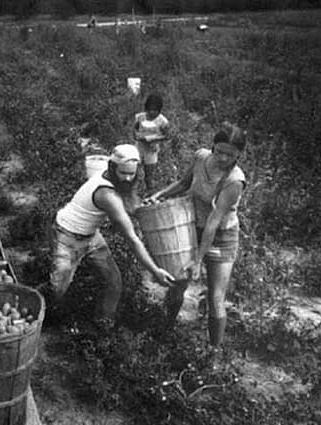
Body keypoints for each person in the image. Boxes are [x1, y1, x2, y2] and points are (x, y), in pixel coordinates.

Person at [42, 144, 175, 328]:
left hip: (91, 236)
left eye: (132, 173)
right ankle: (49, 321)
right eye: (123, 173)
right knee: (59, 288)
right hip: (67, 236)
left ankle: (103, 325)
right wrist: (155, 271)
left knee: (113, 281)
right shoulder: (107, 195)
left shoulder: (111, 176)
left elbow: (129, 202)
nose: (128, 178)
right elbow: (132, 239)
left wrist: (147, 206)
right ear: (112, 168)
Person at [146, 123, 246, 346]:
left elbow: (214, 221)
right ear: (213, 146)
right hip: (191, 228)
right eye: (219, 151)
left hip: (222, 237)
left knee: (216, 297)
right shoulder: (201, 157)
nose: (222, 158)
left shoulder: (234, 181)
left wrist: (198, 261)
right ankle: (165, 333)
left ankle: (212, 354)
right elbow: (184, 183)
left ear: (239, 154)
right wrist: (159, 195)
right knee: (177, 283)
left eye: (229, 154)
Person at [133, 93, 170, 192]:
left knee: (149, 175)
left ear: (159, 110)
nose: (152, 112)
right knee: (135, 172)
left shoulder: (162, 121)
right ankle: (134, 192)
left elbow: (167, 136)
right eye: (150, 110)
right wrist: (137, 136)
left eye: (155, 110)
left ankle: (150, 193)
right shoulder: (140, 117)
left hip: (152, 150)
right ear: (146, 109)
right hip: (139, 148)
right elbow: (135, 129)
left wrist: (153, 139)